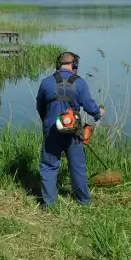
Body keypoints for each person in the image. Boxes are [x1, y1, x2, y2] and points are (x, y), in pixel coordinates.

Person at [35, 51, 105, 207]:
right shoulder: (79, 83)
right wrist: (98, 113)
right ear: (74, 65)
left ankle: (50, 204)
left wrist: (47, 123)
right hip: (73, 132)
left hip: (52, 130)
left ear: (58, 65)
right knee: (77, 167)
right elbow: (90, 107)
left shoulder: (46, 82)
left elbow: (39, 107)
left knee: (48, 166)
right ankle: (83, 201)